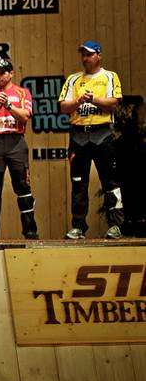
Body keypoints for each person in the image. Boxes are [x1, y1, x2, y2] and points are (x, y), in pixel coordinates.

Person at [59, 40, 124, 239]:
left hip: (102, 134)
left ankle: (116, 225)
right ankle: (78, 227)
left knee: (110, 181)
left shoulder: (109, 77)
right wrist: (78, 100)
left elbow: (114, 102)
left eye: (89, 54)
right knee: (78, 183)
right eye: (83, 55)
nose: (85, 58)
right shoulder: (73, 79)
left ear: (99, 55)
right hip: (78, 136)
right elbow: (63, 106)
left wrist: (93, 99)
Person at [0, 59, 38, 240]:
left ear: (11, 74)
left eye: (2, 73)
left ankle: (30, 230)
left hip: (16, 142)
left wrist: (9, 105)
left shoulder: (22, 92)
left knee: (23, 187)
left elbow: (25, 117)